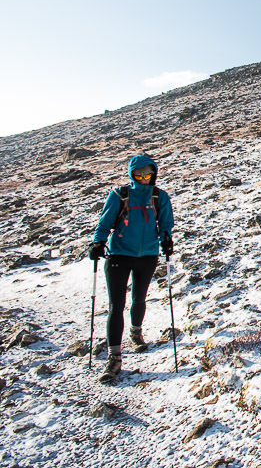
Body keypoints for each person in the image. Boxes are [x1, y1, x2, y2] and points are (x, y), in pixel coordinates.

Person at [87, 155, 174, 383]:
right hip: (119, 255)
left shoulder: (159, 196)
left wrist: (166, 240)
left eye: (148, 175)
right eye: (139, 175)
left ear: (154, 174)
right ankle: (114, 357)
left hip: (147, 255)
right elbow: (105, 222)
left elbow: (166, 223)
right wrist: (98, 243)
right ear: (131, 174)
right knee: (116, 306)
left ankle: (136, 333)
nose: (144, 179)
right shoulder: (119, 195)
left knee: (139, 298)